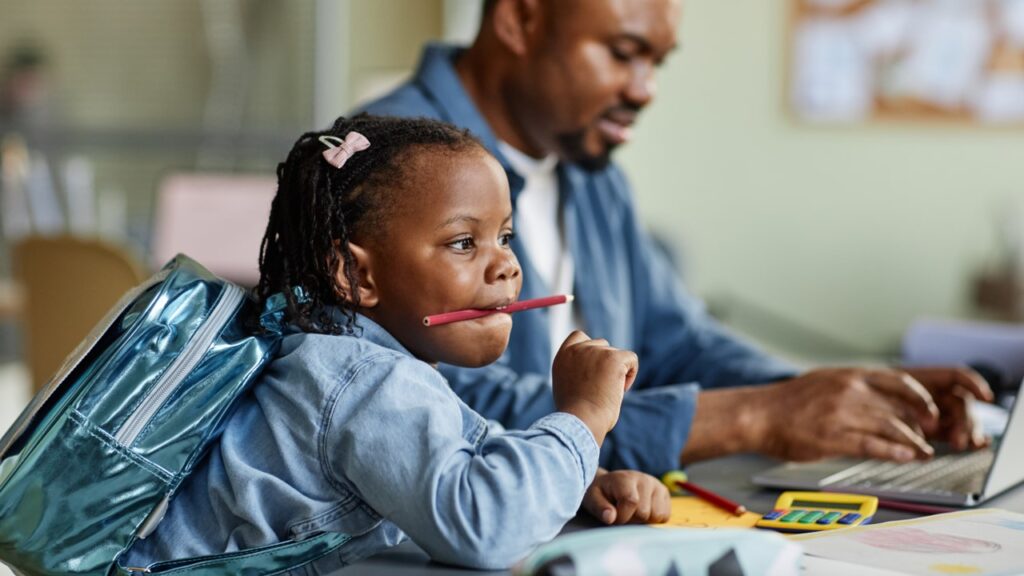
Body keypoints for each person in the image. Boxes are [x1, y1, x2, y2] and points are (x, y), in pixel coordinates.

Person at [359, 0, 994, 475]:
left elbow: (679, 343)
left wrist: (844, 398)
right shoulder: (383, 172)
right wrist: (761, 415)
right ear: (522, 19)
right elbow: (437, 412)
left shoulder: (586, 169)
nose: (645, 90)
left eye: (656, 62)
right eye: (623, 52)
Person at [125, 115, 670, 572]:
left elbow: (468, 450)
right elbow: (483, 525)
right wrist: (583, 419)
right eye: (463, 242)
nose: (505, 264)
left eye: (504, 237)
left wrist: (579, 479)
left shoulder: (335, 356)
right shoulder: (365, 379)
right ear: (354, 275)